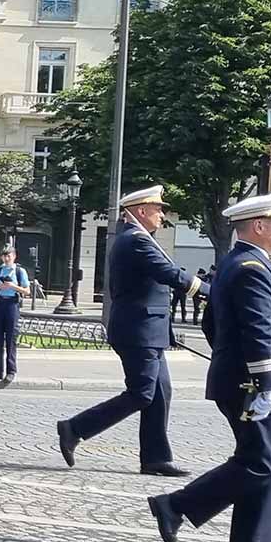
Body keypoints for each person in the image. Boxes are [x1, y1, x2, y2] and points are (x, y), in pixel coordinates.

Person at [147, 191, 271, 542]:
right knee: (261, 461)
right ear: (259, 226)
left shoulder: (239, 263)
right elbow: (257, 329)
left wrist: (232, 362)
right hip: (248, 385)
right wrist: (265, 380)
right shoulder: (251, 268)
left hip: (242, 379)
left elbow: (211, 324)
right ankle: (176, 505)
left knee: (264, 458)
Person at [57, 186, 203, 477]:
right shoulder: (136, 241)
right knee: (142, 393)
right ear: (140, 211)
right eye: (158, 208)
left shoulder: (139, 238)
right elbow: (169, 275)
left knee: (160, 392)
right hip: (138, 332)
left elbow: (154, 288)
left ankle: (156, 458)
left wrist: (165, 331)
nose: (162, 214)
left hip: (149, 330)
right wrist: (210, 291)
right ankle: (75, 427)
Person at [0, 244, 30, 382]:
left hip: (12, 304)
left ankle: (11, 370)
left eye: (8, 256)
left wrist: (12, 286)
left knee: (11, 338)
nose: (6, 259)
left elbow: (27, 291)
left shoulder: (19, 271)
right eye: (4, 256)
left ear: (14, 256)